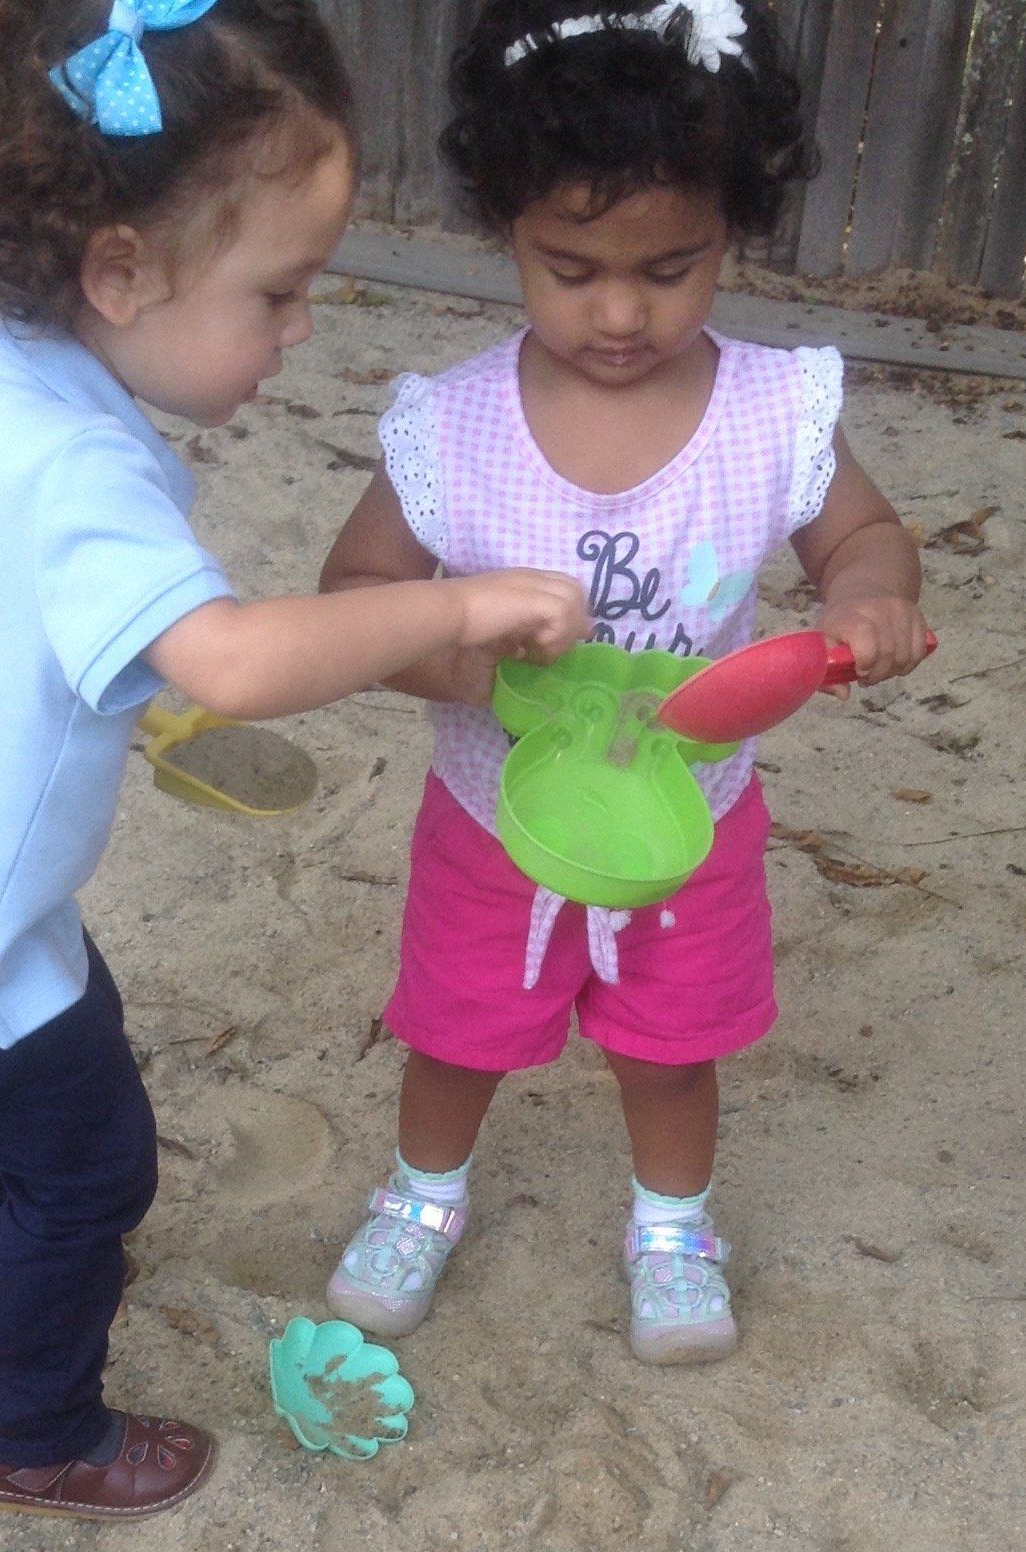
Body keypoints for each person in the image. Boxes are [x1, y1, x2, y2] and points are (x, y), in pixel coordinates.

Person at [0, 0, 586, 1522]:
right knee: (93, 1162)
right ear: (120, 269)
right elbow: (238, 664)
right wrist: (458, 602)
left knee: (34, 1062)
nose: (300, 327)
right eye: (278, 292)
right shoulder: (80, 472)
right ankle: (35, 1431)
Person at [321, 0, 931, 1364]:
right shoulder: (457, 428)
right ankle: (423, 1198)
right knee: (456, 1028)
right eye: (569, 264)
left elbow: (864, 533)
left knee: (673, 1044)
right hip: (495, 820)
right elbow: (352, 600)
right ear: (505, 227)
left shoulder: (772, 414)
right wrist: (472, 665)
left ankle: (672, 1226)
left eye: (671, 267)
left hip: (688, 824)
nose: (617, 310)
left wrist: (868, 596)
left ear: (733, 230)